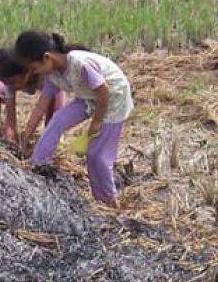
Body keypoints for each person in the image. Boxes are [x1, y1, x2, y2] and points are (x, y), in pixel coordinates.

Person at [14, 31, 133, 208]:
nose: (33, 74)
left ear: (47, 58)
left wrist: (97, 121)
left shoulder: (79, 64)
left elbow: (103, 90)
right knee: (57, 122)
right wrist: (25, 136)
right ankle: (35, 166)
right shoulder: (52, 74)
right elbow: (41, 107)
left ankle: (110, 203)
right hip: (88, 97)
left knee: (97, 157)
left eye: (34, 68)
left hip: (113, 99)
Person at [0, 47, 66, 143]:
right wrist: (10, 138)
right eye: (6, 83)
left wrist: (27, 135)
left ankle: (52, 134)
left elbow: (42, 108)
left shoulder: (44, 75)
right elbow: (10, 118)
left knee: (54, 115)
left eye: (13, 82)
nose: (11, 86)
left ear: (27, 72)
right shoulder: (9, 83)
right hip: (15, 76)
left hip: (53, 88)